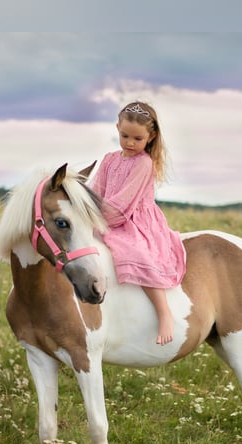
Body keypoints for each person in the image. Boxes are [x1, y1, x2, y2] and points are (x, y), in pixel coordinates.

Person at [90, 101, 186, 345]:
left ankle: (164, 313)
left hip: (133, 221)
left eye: (137, 138)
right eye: (124, 136)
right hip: (104, 216)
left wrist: (100, 220)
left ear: (151, 137)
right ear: (116, 129)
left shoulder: (144, 163)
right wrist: (87, 212)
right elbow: (96, 191)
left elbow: (123, 205)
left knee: (136, 252)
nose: (130, 143)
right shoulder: (109, 159)